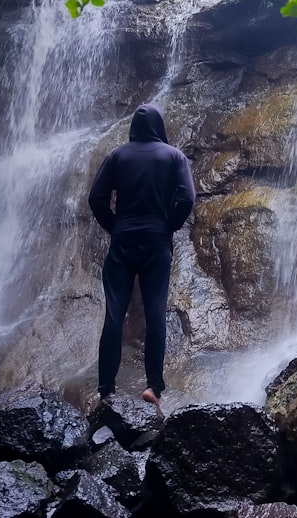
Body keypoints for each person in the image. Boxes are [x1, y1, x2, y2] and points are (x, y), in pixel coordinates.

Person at [88, 103, 196, 405]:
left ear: (133, 128)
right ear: (160, 127)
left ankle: (106, 389)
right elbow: (187, 196)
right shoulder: (174, 156)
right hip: (157, 242)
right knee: (155, 313)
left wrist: (115, 226)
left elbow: (96, 198)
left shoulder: (118, 155)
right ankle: (153, 387)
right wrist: (169, 226)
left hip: (123, 241)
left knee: (114, 313)